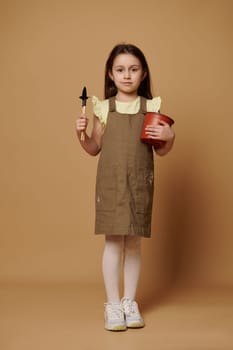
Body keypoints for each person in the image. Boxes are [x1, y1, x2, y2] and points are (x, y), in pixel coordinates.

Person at [76, 43, 175, 331]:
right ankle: (113, 304)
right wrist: (80, 135)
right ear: (111, 74)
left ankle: (130, 302)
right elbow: (94, 147)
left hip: (140, 184)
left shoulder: (151, 107)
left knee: (133, 242)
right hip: (111, 184)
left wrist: (169, 136)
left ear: (143, 74)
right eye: (120, 70)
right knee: (113, 242)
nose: (127, 75)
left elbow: (162, 151)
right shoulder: (104, 108)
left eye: (133, 69)